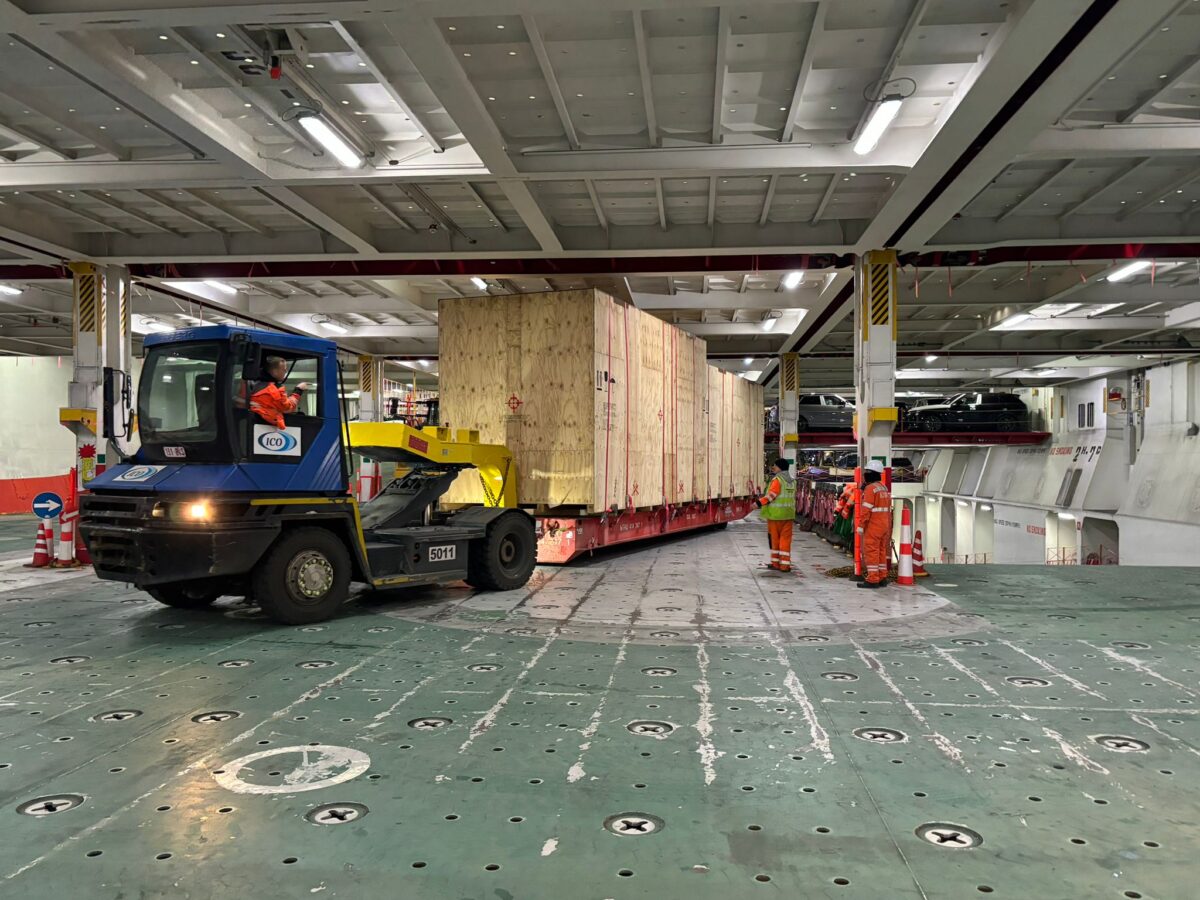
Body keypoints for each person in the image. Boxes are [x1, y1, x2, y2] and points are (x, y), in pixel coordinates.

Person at [237, 355, 312, 429]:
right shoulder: (274, 390)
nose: (286, 371)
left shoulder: (249, 382)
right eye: (284, 369)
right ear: (275, 371)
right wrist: (298, 390)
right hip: (266, 427)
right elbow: (287, 408)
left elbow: (239, 402)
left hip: (248, 424)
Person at [856, 459, 892, 589]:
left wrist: (861, 526)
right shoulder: (883, 488)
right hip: (884, 526)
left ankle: (872, 579)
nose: (865, 474)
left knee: (871, 552)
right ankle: (882, 577)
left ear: (871, 473)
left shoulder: (871, 489)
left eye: (867, 472)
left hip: (873, 526)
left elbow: (866, 510)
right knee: (881, 551)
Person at [758, 457, 796, 573]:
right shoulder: (793, 481)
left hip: (776, 516)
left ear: (779, 467)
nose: (773, 468)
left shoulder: (777, 480)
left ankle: (775, 563)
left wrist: (758, 503)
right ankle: (785, 565)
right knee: (786, 540)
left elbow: (771, 496)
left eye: (775, 466)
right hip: (788, 515)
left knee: (775, 540)